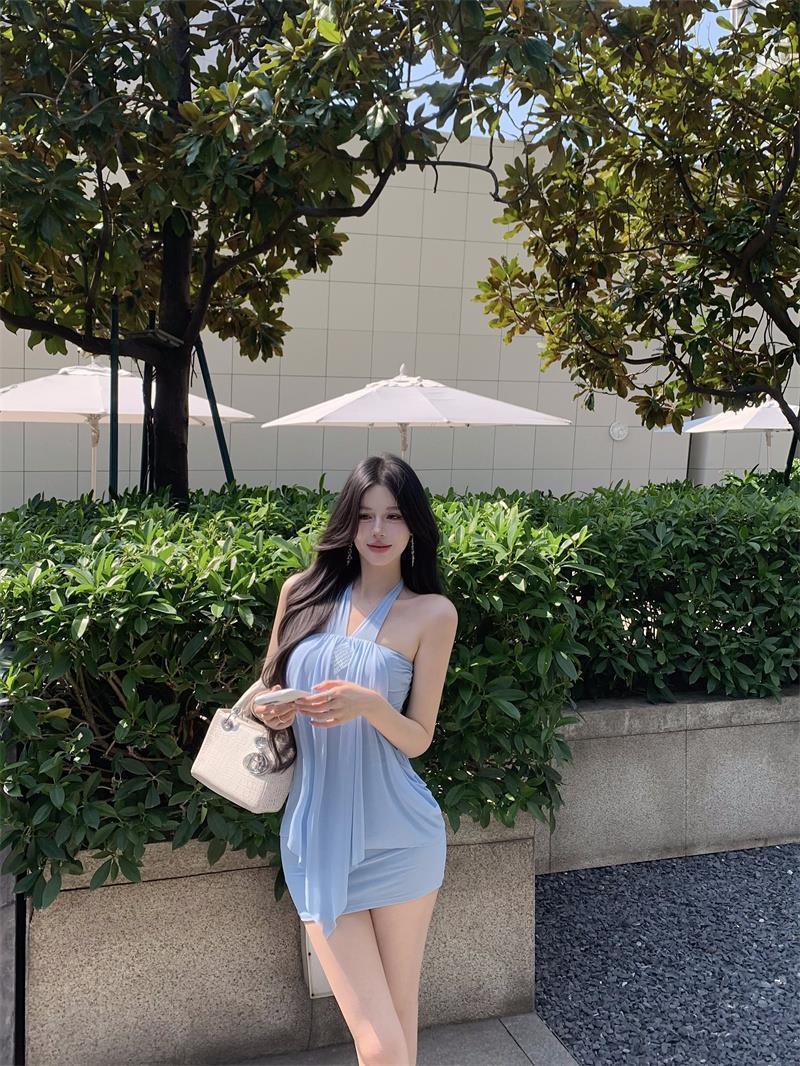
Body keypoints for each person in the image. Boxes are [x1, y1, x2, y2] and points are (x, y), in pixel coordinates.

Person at [251, 453, 459, 1066]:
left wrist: (369, 705)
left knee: (397, 1025)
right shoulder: (302, 593)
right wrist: (271, 708)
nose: (378, 530)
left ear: (413, 524)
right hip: (315, 837)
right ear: (348, 520)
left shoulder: (432, 613)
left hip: (401, 839)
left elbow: (419, 737)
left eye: (393, 515)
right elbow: (266, 686)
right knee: (382, 1043)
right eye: (366, 515)